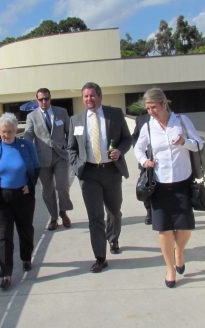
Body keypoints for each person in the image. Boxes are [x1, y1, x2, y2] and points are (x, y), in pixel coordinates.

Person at [134, 87, 203, 288]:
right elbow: (138, 148)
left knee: (185, 227)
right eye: (147, 108)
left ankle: (179, 252)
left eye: (153, 107)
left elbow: (199, 143)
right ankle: (170, 268)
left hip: (182, 181)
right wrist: (144, 160)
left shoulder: (181, 121)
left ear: (164, 104)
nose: (151, 112)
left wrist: (185, 142)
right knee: (164, 230)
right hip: (159, 183)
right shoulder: (148, 127)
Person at [68, 82, 132, 273]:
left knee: (114, 211)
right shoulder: (76, 120)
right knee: (95, 217)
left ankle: (113, 238)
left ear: (100, 96)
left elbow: (127, 139)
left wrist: (119, 151)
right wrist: (76, 165)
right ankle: (100, 257)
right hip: (88, 174)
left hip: (111, 171)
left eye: (92, 96)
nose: (89, 99)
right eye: (85, 96)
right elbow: (70, 147)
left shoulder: (115, 114)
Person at [0, 112, 40, 290]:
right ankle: (6, 273)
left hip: (23, 196)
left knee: (25, 230)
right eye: (3, 131)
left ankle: (26, 258)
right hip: (1, 198)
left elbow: (35, 168)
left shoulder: (26, 146)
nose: (6, 135)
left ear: (15, 131)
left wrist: (30, 184)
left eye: (10, 131)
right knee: (4, 237)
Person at [24, 88, 73, 231]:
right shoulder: (31, 116)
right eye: (40, 99)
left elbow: (70, 133)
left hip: (61, 156)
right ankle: (53, 217)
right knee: (48, 190)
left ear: (50, 98)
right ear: (37, 100)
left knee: (62, 186)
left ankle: (63, 212)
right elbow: (28, 136)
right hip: (42, 158)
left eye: (46, 98)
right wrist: (23, 150)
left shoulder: (61, 112)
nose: (44, 102)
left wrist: (70, 148)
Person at [131, 110, 152, 225]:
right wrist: (142, 154)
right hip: (146, 162)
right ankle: (149, 211)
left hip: (165, 163)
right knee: (145, 186)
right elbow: (134, 138)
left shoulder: (171, 118)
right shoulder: (141, 119)